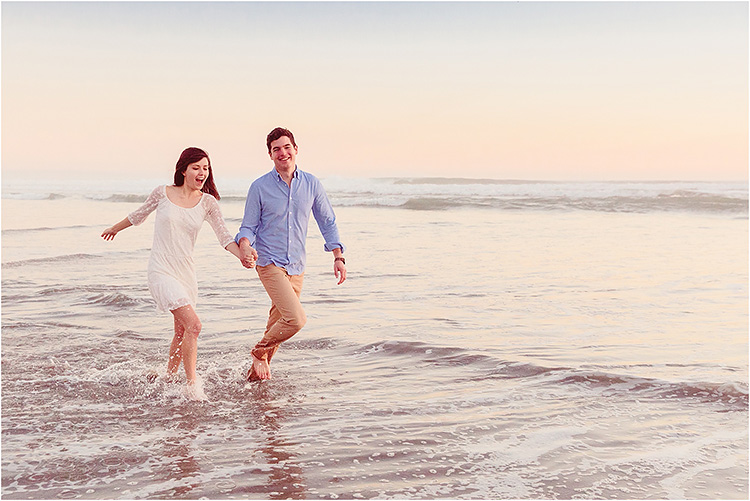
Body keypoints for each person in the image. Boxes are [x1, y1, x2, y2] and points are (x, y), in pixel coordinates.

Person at [101, 147, 253, 399]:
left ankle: (168, 377)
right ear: (183, 170)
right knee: (194, 325)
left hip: (186, 273)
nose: (202, 172)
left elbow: (224, 237)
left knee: (181, 331)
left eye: (206, 168)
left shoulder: (208, 203)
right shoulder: (163, 192)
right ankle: (192, 385)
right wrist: (115, 228)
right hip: (161, 269)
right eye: (196, 167)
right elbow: (138, 215)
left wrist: (242, 257)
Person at [237, 127, 346, 381]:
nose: (282, 153)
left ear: (296, 149)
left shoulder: (311, 184)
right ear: (270, 155)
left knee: (276, 325)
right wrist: (244, 244)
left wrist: (338, 257)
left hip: (297, 266)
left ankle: (253, 385)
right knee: (295, 320)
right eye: (276, 149)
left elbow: (327, 221)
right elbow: (249, 226)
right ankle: (258, 351)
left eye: (287, 147)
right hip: (269, 263)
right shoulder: (259, 187)